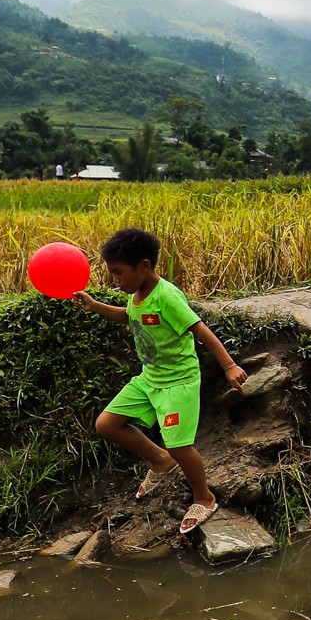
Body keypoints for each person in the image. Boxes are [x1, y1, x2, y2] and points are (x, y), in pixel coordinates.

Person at [76, 227, 248, 535]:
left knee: (180, 445)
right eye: (112, 274)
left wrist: (230, 366)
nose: (116, 280)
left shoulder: (167, 296)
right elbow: (129, 316)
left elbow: (200, 330)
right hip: (149, 379)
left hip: (178, 381)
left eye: (119, 273)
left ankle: (204, 497)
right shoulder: (137, 294)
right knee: (107, 424)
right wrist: (95, 306)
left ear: (143, 266)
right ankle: (159, 460)